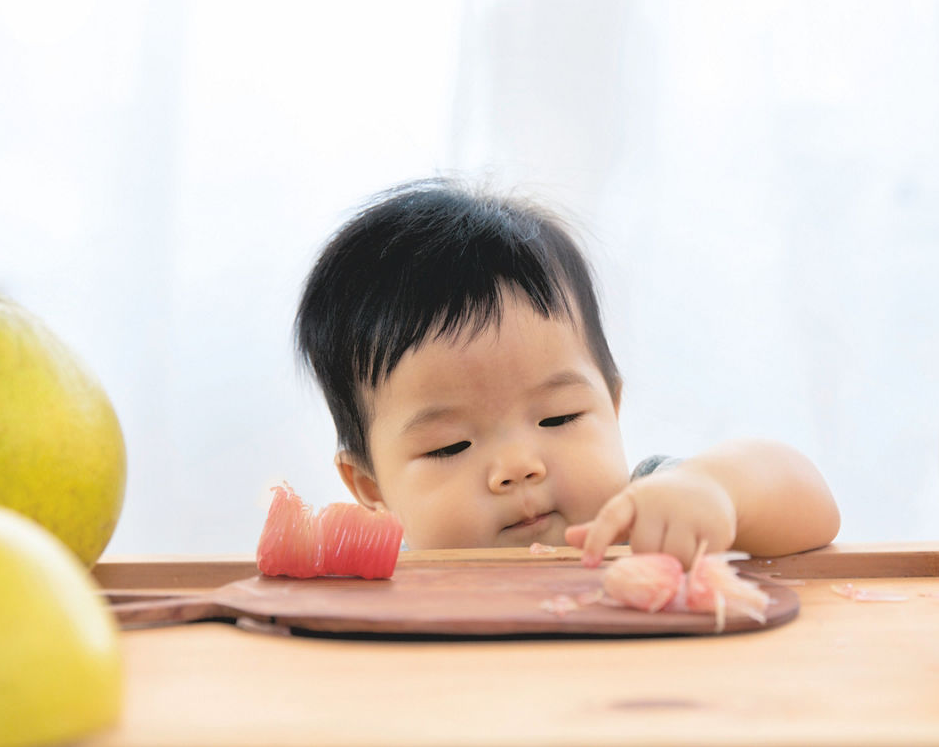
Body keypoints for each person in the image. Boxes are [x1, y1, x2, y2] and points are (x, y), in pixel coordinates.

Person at [294, 179, 839, 567]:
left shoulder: (648, 511)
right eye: (450, 446)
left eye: (558, 417)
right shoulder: (393, 583)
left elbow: (811, 503)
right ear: (370, 486)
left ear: (612, 404)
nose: (517, 468)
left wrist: (713, 488)